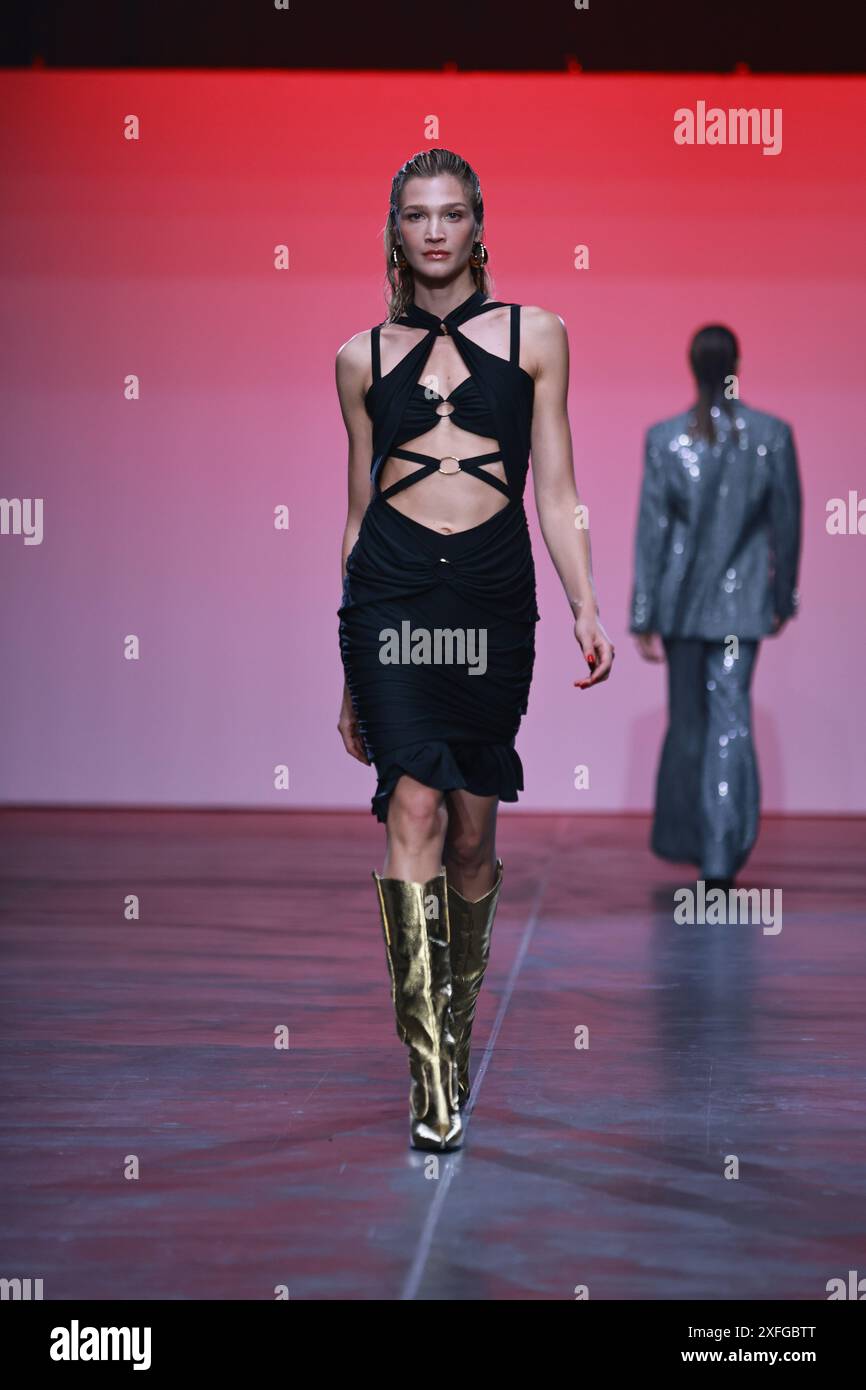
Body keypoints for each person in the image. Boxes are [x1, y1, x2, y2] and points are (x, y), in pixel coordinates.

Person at [336, 148, 614, 1151]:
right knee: (409, 802)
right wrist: (346, 666)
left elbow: (556, 484)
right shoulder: (357, 357)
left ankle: (454, 1019)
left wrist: (584, 600)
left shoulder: (537, 335)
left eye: (452, 213)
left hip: (493, 601)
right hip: (393, 597)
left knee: (469, 831)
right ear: (396, 234)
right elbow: (358, 506)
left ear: (478, 229)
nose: (435, 230)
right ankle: (429, 1074)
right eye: (417, 214)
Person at [630, 324, 802, 889]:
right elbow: (786, 527)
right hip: (742, 608)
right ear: (738, 364)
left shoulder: (665, 439)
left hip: (681, 609)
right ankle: (719, 857)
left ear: (691, 365)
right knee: (728, 723)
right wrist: (780, 598)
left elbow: (653, 532)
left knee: (690, 726)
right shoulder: (771, 435)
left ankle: (703, 847)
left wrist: (644, 613)